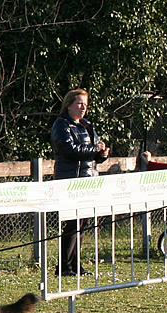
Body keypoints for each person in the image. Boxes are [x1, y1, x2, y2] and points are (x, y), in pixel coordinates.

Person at [51, 88, 110, 276]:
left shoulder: (87, 125)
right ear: (68, 105)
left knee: (81, 225)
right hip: (70, 180)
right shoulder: (61, 125)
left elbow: (93, 154)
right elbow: (69, 149)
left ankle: (76, 266)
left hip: (89, 180)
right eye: (79, 103)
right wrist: (94, 149)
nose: (83, 107)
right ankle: (64, 267)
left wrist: (102, 154)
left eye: (85, 104)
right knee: (71, 225)